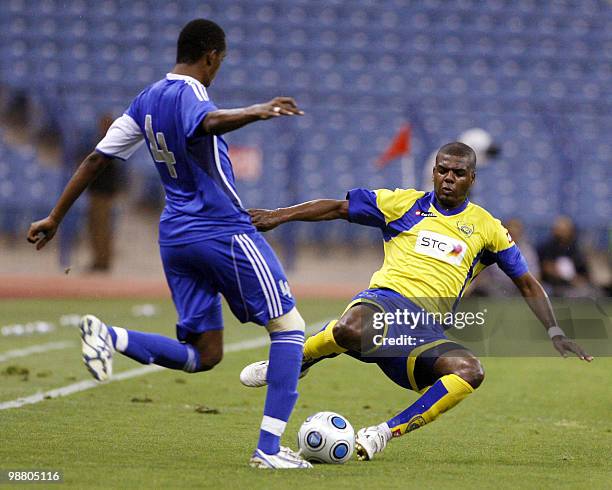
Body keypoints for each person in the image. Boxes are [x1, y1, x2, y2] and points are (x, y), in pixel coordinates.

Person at [27, 19, 311, 469]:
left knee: (206, 354)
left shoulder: (146, 99)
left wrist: (56, 216)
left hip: (175, 235)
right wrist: (258, 110)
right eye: (221, 61)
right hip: (221, 229)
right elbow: (208, 123)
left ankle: (112, 336)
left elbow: (96, 158)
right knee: (289, 328)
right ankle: (269, 451)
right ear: (212, 56)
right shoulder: (193, 94)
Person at [240, 142, 593, 461]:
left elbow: (527, 283)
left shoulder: (487, 227)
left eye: (458, 173)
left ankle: (381, 434)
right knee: (352, 326)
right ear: (434, 172)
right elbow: (336, 208)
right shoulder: (403, 203)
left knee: (470, 371)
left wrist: (555, 330)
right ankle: (293, 361)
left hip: (423, 332)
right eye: (442, 170)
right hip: (385, 300)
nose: (448, 178)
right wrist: (278, 214)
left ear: (472, 178)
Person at [86, 113, 123, 272]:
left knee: (101, 228)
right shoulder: (105, 143)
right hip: (98, 192)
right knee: (96, 227)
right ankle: (99, 259)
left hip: (103, 193)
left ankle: (102, 261)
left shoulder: (109, 145)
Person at [538, 216, 594, 297]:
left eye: (563, 230)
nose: (559, 232)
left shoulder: (577, 250)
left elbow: (585, 275)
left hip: (572, 287)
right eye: (558, 229)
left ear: (571, 231)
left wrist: (574, 279)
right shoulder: (547, 247)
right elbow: (545, 267)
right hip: (551, 285)